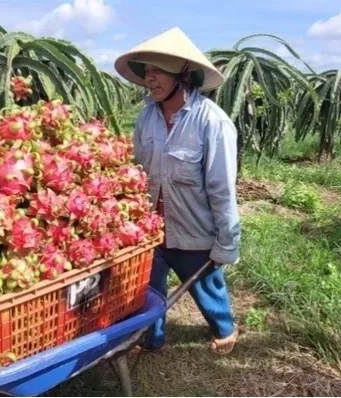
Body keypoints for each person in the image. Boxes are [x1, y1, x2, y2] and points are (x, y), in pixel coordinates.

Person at [114, 27, 241, 354]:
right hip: (152, 229)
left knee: (207, 287)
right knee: (148, 289)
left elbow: (222, 189)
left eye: (158, 72)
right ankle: (151, 338)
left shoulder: (212, 123)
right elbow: (137, 172)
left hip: (194, 228)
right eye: (147, 72)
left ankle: (224, 327)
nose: (150, 79)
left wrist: (226, 243)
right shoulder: (147, 117)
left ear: (183, 75)